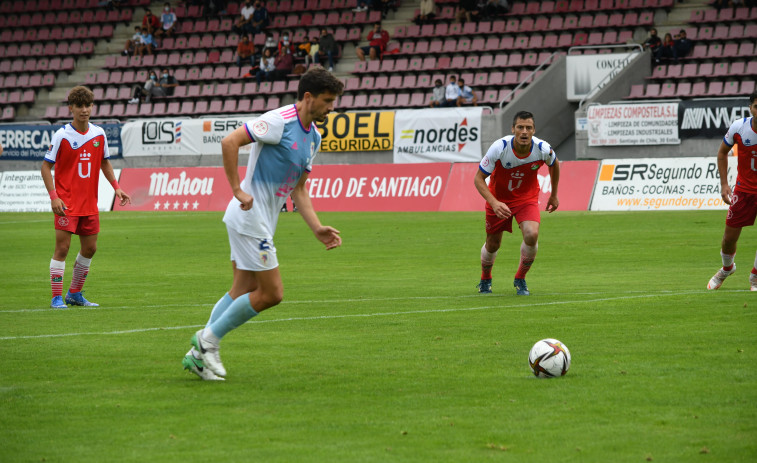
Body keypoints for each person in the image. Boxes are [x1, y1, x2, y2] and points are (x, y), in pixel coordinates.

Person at [182, 66, 345, 380]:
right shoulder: (278, 120)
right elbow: (230, 142)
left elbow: (299, 189)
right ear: (308, 97)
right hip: (249, 217)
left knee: (243, 288)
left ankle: (197, 355)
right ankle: (207, 342)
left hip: (261, 221)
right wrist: (236, 189)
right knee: (272, 294)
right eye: (327, 100)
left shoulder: (315, 137)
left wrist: (317, 228)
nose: (331, 107)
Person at [41, 86, 131, 309]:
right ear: (71, 108)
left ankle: (74, 293)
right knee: (62, 249)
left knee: (90, 248)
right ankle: (56, 297)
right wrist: (54, 197)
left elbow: (104, 162)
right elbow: (45, 167)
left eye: (88, 105)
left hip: (89, 203)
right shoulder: (62, 135)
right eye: (79, 106)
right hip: (67, 203)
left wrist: (117, 187)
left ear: (92, 107)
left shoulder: (99, 134)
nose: (84, 110)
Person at [473, 111, 560, 296]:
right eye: (520, 127)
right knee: (493, 244)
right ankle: (485, 278)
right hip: (498, 200)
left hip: (526, 199)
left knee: (532, 234)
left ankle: (520, 278)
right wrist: (494, 202)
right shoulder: (500, 147)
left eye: (528, 128)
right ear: (513, 129)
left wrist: (554, 194)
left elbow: (554, 163)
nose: (524, 132)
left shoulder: (542, 148)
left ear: (534, 130)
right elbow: (478, 179)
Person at [706, 91, 757, 292]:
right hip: (743, 192)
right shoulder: (739, 127)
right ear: (750, 108)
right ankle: (727, 268)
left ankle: (755, 277)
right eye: (756, 106)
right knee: (728, 239)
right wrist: (724, 184)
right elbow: (722, 153)